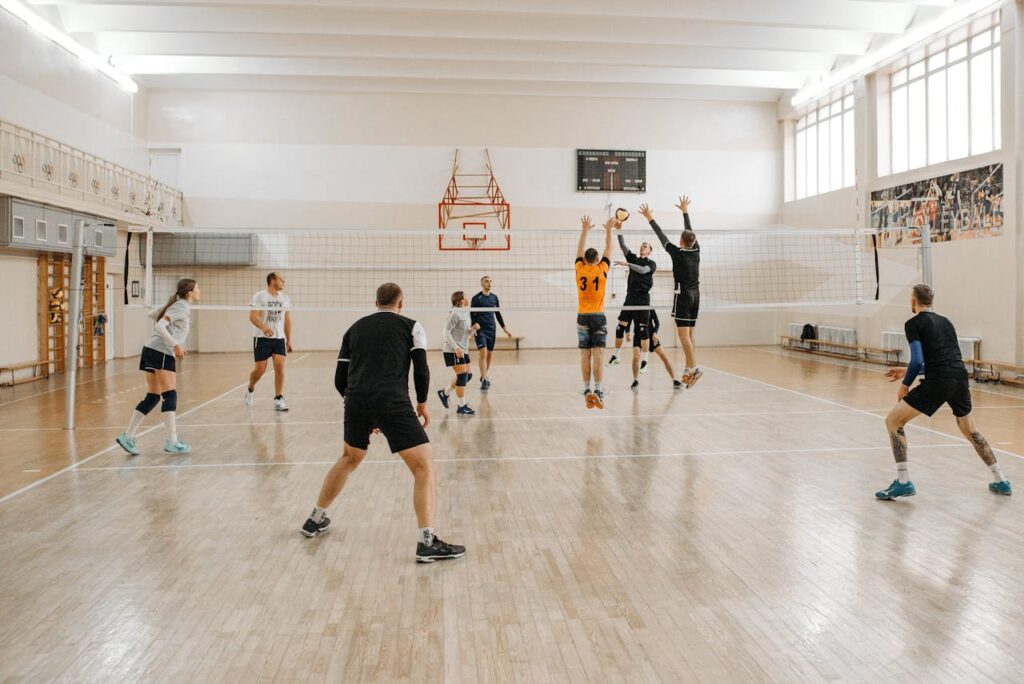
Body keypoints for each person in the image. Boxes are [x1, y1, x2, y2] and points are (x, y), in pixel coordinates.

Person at [300, 282, 466, 563]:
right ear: (401, 304)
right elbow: (421, 369)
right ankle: (427, 543)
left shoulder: (353, 329)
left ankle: (314, 519)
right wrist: (423, 403)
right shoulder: (412, 326)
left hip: (356, 401)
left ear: (375, 302)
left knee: (350, 458)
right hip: (392, 401)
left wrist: (362, 408)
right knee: (424, 466)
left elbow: (340, 380)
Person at [876, 284, 1012, 499]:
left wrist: (906, 384)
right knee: (971, 430)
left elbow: (918, 358)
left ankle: (903, 481)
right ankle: (1001, 479)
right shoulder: (946, 322)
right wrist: (906, 371)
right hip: (959, 377)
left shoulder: (913, 323)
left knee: (893, 421)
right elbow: (945, 360)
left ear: (913, 301)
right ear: (932, 300)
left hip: (939, 381)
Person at [115, 278, 199, 456]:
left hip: (150, 349)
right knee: (170, 395)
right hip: (161, 352)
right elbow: (160, 325)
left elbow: (152, 315)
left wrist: (168, 317)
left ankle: (128, 436)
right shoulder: (181, 306)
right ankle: (173, 441)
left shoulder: (176, 304)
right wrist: (175, 343)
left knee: (153, 396)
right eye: (197, 288)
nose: (200, 290)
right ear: (190, 292)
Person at [640, 196, 703, 388]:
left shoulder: (677, 252)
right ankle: (688, 368)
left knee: (683, 336)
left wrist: (649, 217)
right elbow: (690, 233)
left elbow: (661, 236)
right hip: (696, 295)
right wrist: (685, 212)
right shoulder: (696, 250)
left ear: (681, 241)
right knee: (690, 335)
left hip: (683, 296)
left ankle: (694, 368)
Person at [607, 225, 657, 392]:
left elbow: (643, 271)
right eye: (642, 245)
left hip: (643, 299)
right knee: (620, 326)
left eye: (646, 246)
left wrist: (627, 264)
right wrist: (619, 229)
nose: (643, 246)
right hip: (630, 297)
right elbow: (622, 245)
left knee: (643, 330)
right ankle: (617, 355)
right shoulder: (633, 258)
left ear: (649, 251)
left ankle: (645, 360)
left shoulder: (651, 263)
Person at [575, 215, 614, 409]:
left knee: (585, 355)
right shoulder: (602, 269)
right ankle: (598, 389)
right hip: (598, 316)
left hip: (582, 315)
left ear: (584, 259)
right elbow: (609, 248)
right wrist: (608, 229)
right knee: (598, 354)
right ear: (597, 260)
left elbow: (579, 250)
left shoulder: (579, 268)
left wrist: (585, 229)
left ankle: (586, 388)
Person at [244, 272, 293, 411]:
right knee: (260, 370)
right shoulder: (260, 296)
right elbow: (253, 317)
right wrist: (263, 327)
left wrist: (289, 340)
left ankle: (278, 398)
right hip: (262, 337)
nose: (283, 281)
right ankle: (250, 389)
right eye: (280, 279)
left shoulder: (285, 298)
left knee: (279, 365)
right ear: (272, 280)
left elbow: (287, 320)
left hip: (279, 338)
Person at [438, 290, 479, 416]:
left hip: (463, 349)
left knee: (468, 375)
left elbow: (467, 334)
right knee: (462, 376)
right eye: (466, 297)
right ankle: (462, 406)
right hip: (453, 350)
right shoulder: (454, 313)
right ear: (461, 300)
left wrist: (473, 329)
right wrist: (456, 348)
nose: (468, 298)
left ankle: (445, 392)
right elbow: (445, 332)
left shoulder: (464, 313)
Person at [470, 276, 512, 390]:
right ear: (482, 284)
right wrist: (473, 326)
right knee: (483, 353)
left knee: (489, 355)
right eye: (486, 281)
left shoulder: (494, 298)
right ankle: (484, 379)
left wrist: (504, 328)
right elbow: (471, 314)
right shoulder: (476, 298)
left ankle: (483, 375)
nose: (489, 283)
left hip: (491, 329)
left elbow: (498, 314)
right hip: (480, 330)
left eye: (490, 281)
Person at [628, 310, 684, 390]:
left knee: (664, 357)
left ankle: (674, 380)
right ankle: (635, 380)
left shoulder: (650, 308)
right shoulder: (634, 308)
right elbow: (628, 322)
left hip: (651, 337)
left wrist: (655, 333)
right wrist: (627, 333)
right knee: (636, 357)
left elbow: (657, 322)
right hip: (638, 337)